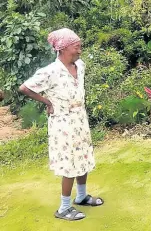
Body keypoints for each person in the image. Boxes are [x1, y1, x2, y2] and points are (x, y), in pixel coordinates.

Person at [19, 28, 104, 221]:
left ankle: (81, 196)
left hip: (80, 119)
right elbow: (25, 88)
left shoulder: (80, 66)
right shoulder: (50, 72)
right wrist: (48, 102)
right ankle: (64, 208)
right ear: (63, 48)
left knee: (83, 157)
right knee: (69, 162)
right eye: (77, 47)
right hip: (63, 123)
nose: (80, 50)